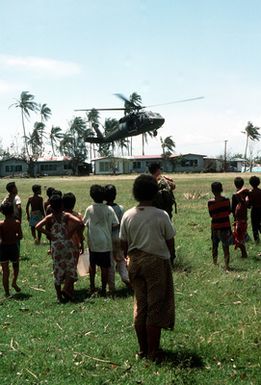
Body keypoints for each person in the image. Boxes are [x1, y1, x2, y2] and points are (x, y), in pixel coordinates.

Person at [120, 174, 175, 361]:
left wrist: (128, 258)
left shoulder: (128, 215)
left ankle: (142, 349)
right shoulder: (161, 215)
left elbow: (123, 243)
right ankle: (153, 350)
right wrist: (169, 258)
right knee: (155, 306)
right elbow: (170, 241)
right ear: (154, 192)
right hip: (156, 262)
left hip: (134, 262)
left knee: (140, 305)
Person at [36, 194, 83, 302]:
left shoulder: (50, 217)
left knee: (57, 268)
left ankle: (58, 296)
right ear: (62, 205)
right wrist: (70, 232)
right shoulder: (66, 215)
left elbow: (37, 226)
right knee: (70, 267)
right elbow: (79, 222)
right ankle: (67, 289)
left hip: (56, 245)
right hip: (67, 244)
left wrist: (49, 234)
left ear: (51, 206)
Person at [83, 185, 118, 296]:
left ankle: (92, 287)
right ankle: (103, 289)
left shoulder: (89, 209)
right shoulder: (109, 209)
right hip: (106, 243)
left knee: (92, 265)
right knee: (104, 267)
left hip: (93, 243)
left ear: (91, 196)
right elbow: (116, 224)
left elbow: (83, 223)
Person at [104, 184, 131, 294]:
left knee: (110, 264)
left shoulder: (104, 209)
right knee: (121, 261)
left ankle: (112, 288)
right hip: (119, 238)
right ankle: (126, 279)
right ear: (115, 195)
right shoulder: (121, 208)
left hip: (108, 239)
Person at [63, 192, 84, 294]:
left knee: (66, 266)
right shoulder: (77, 216)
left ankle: (69, 288)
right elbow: (80, 231)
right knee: (72, 266)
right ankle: (67, 288)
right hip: (74, 244)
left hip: (62, 245)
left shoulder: (60, 216)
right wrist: (82, 244)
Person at [0, 202, 23, 297]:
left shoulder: (0, 224)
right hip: (13, 247)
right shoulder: (17, 223)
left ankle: (7, 292)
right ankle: (14, 282)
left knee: (5, 271)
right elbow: (20, 236)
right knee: (16, 267)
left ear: (2, 212)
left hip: (2, 248)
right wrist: (14, 239)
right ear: (13, 211)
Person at [208, 182, 232, 271]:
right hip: (225, 225)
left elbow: (211, 215)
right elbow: (229, 212)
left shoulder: (210, 202)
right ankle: (227, 265)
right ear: (221, 189)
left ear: (212, 191)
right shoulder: (226, 200)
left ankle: (215, 262)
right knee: (225, 246)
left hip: (215, 226)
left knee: (215, 245)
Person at [233, 187, 249, 258]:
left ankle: (244, 254)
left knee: (240, 240)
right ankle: (243, 254)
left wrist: (243, 189)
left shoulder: (243, 202)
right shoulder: (241, 202)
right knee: (239, 239)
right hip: (240, 223)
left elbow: (236, 194)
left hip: (241, 224)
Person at [248, 176, 261, 244]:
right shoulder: (260, 191)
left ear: (250, 183)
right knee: (259, 224)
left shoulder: (250, 192)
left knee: (254, 226)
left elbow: (249, 205)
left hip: (254, 210)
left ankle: (257, 240)